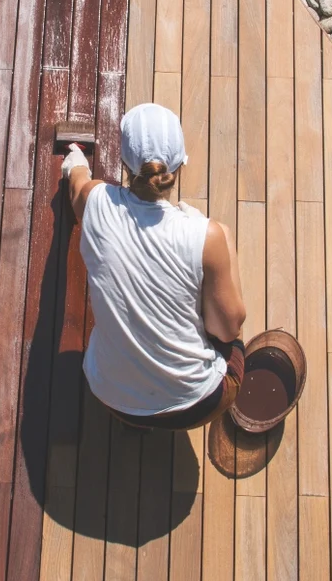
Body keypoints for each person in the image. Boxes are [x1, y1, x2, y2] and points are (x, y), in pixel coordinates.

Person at [60, 103, 247, 431]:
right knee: (231, 321)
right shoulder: (205, 235)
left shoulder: (96, 203)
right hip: (198, 404)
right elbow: (227, 329)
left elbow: (77, 184)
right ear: (179, 167)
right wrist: (220, 238)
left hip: (112, 397)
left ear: (125, 164)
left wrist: (75, 160)